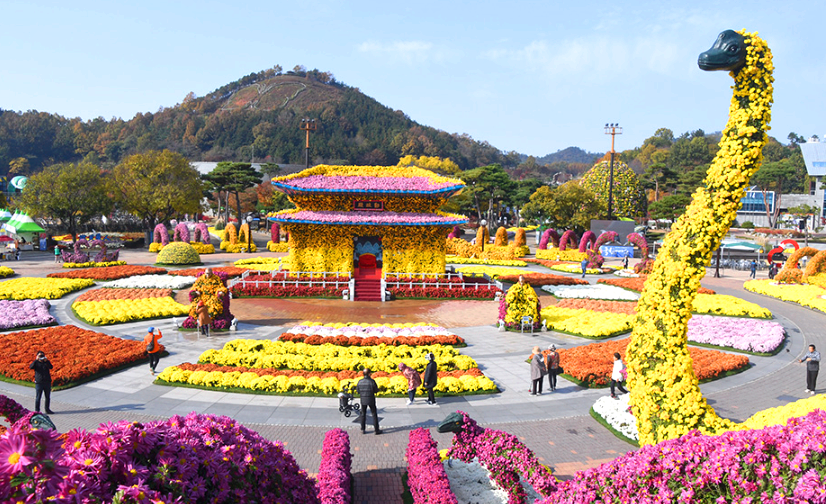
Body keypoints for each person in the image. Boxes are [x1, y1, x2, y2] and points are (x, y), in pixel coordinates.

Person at [357, 368, 382, 434]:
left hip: (363, 400)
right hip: (371, 399)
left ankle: (363, 429)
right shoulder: (372, 381)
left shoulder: (360, 382)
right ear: (369, 374)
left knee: (363, 414)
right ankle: (376, 430)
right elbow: (376, 390)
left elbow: (358, 391)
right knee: (374, 414)